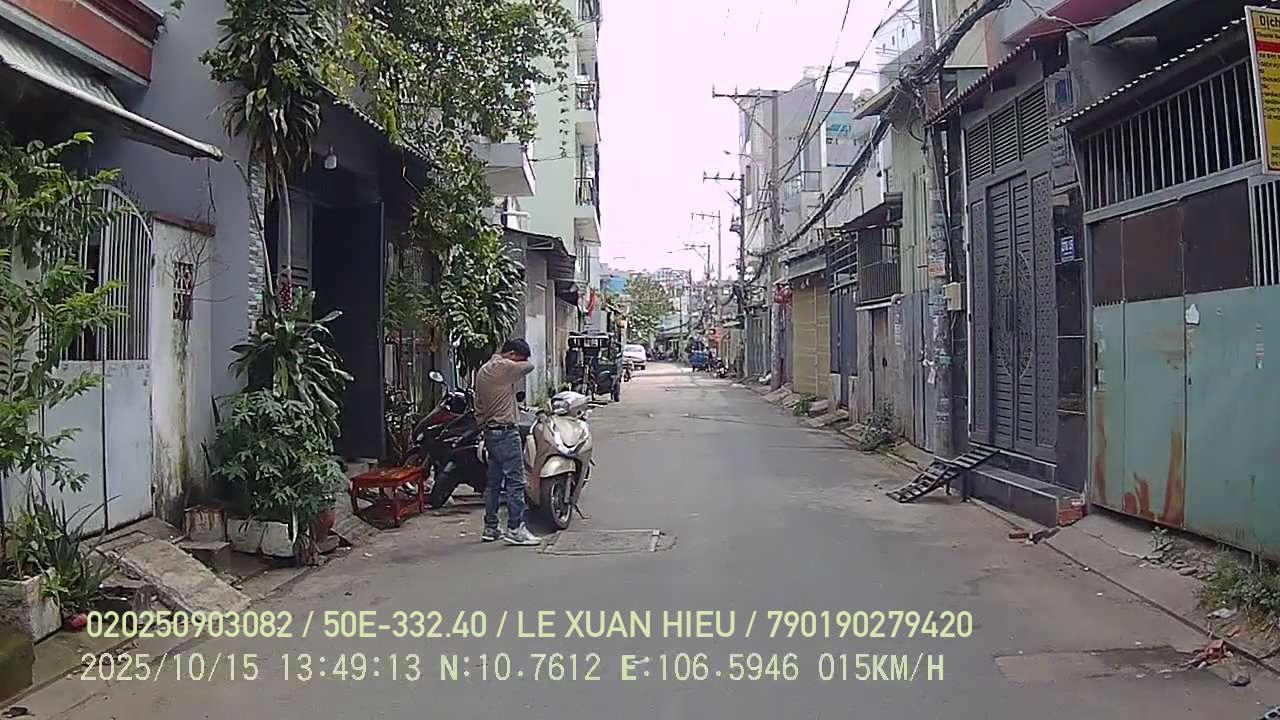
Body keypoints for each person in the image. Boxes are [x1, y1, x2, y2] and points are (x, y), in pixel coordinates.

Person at [474, 339, 541, 546]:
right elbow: (529, 367)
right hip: (505, 433)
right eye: (518, 358)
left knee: (494, 484)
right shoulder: (502, 367)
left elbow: (478, 406)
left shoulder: (483, 370)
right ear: (511, 355)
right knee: (516, 482)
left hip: (490, 433)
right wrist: (515, 362)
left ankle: (491, 527)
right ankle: (515, 528)